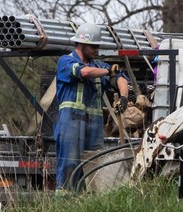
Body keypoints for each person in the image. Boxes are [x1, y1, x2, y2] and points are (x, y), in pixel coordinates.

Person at [53, 23, 129, 192]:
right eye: (93, 46)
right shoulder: (66, 61)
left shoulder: (99, 65)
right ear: (81, 44)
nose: (97, 49)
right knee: (70, 163)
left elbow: (120, 78)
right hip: (70, 122)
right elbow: (84, 72)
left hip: (94, 125)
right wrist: (109, 71)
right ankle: (65, 202)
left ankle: (89, 202)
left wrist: (123, 97)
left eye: (98, 46)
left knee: (94, 163)